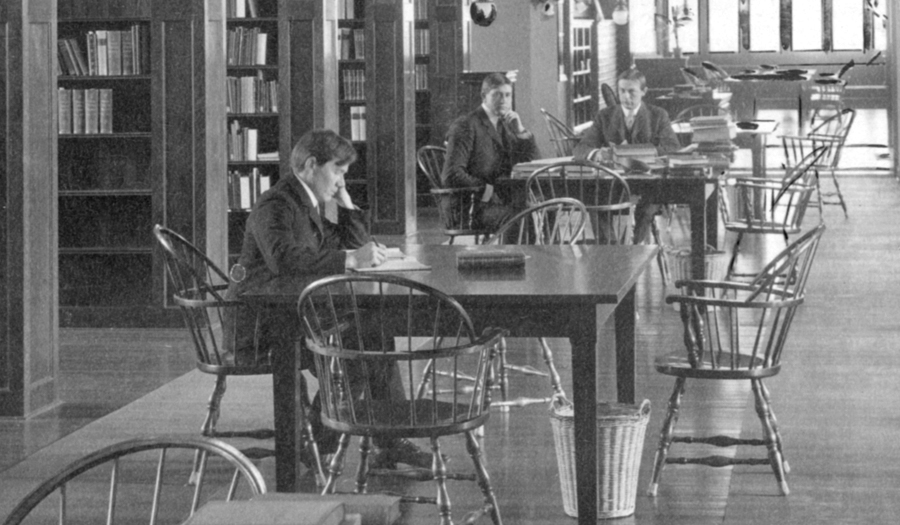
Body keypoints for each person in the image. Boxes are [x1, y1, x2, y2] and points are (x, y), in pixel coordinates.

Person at [225, 129, 433, 469]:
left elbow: (340, 242)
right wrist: (349, 259)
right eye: (337, 171)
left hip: (294, 314)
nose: (340, 181)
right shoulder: (276, 204)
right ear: (311, 165)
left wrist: (348, 206)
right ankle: (319, 442)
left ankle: (381, 440)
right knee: (357, 347)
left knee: (374, 336)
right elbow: (282, 258)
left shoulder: (304, 203)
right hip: (261, 325)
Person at [573, 68, 681, 244]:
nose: (626, 97)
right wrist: (597, 153)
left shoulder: (658, 115)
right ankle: (611, 252)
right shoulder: (605, 116)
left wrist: (640, 153)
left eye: (632, 92)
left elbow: (673, 148)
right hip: (613, 186)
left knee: (645, 212)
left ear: (644, 92)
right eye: (622, 91)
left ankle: (637, 249)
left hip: (651, 186)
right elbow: (581, 148)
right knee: (597, 206)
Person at [441, 72, 540, 233]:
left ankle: (538, 257)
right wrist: (487, 190)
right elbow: (451, 175)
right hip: (474, 206)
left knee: (547, 210)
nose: (504, 101)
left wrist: (521, 132)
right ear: (484, 96)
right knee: (520, 218)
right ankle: (513, 257)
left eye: (508, 95)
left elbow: (532, 162)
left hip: (503, 201)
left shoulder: (507, 124)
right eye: (497, 95)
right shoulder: (466, 125)